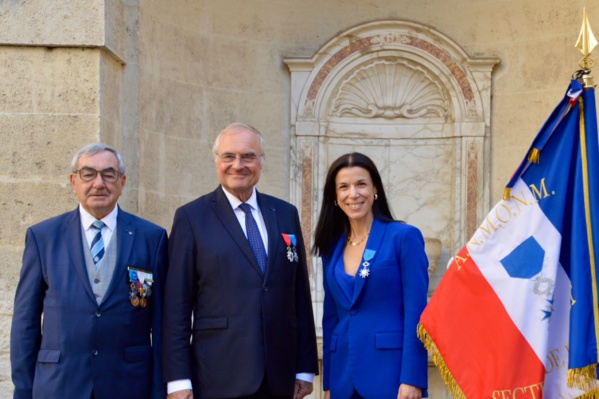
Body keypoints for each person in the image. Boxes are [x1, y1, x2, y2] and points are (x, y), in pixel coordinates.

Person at [163, 123, 319, 399]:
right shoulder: (191, 218)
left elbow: (299, 295)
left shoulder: (284, 213)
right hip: (217, 377)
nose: (238, 165)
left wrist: (305, 367)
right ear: (216, 162)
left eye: (248, 156)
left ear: (260, 161)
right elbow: (176, 306)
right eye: (229, 157)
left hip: (279, 377)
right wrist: (178, 380)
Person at [10, 143, 168, 399]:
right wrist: (24, 390)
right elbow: (24, 323)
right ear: (74, 181)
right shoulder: (43, 238)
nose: (98, 183)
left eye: (108, 174)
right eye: (88, 174)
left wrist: (160, 390)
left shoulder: (152, 238)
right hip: (59, 385)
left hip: (129, 385)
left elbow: (162, 323)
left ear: (122, 181)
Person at [313, 153, 429, 399]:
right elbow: (332, 318)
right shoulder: (331, 247)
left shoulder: (403, 237)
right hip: (342, 382)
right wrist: (328, 383)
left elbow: (417, 314)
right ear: (335, 196)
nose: (353, 194)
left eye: (361, 184)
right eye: (343, 187)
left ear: (375, 189)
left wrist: (412, 377)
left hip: (391, 378)